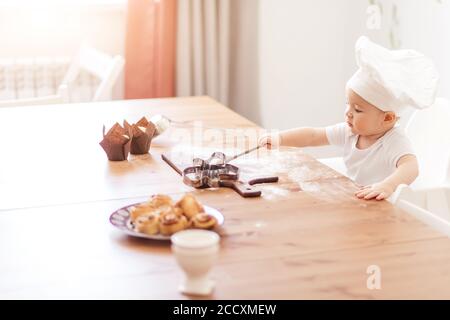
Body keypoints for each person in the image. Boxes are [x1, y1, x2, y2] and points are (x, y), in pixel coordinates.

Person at [259, 36, 439, 200]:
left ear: (387, 118)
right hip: (357, 196)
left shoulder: (393, 140)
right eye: (348, 104)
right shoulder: (350, 132)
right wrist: (280, 138)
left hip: (385, 202)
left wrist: (388, 186)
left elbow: (411, 167)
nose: (348, 113)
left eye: (358, 110)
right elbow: (313, 135)